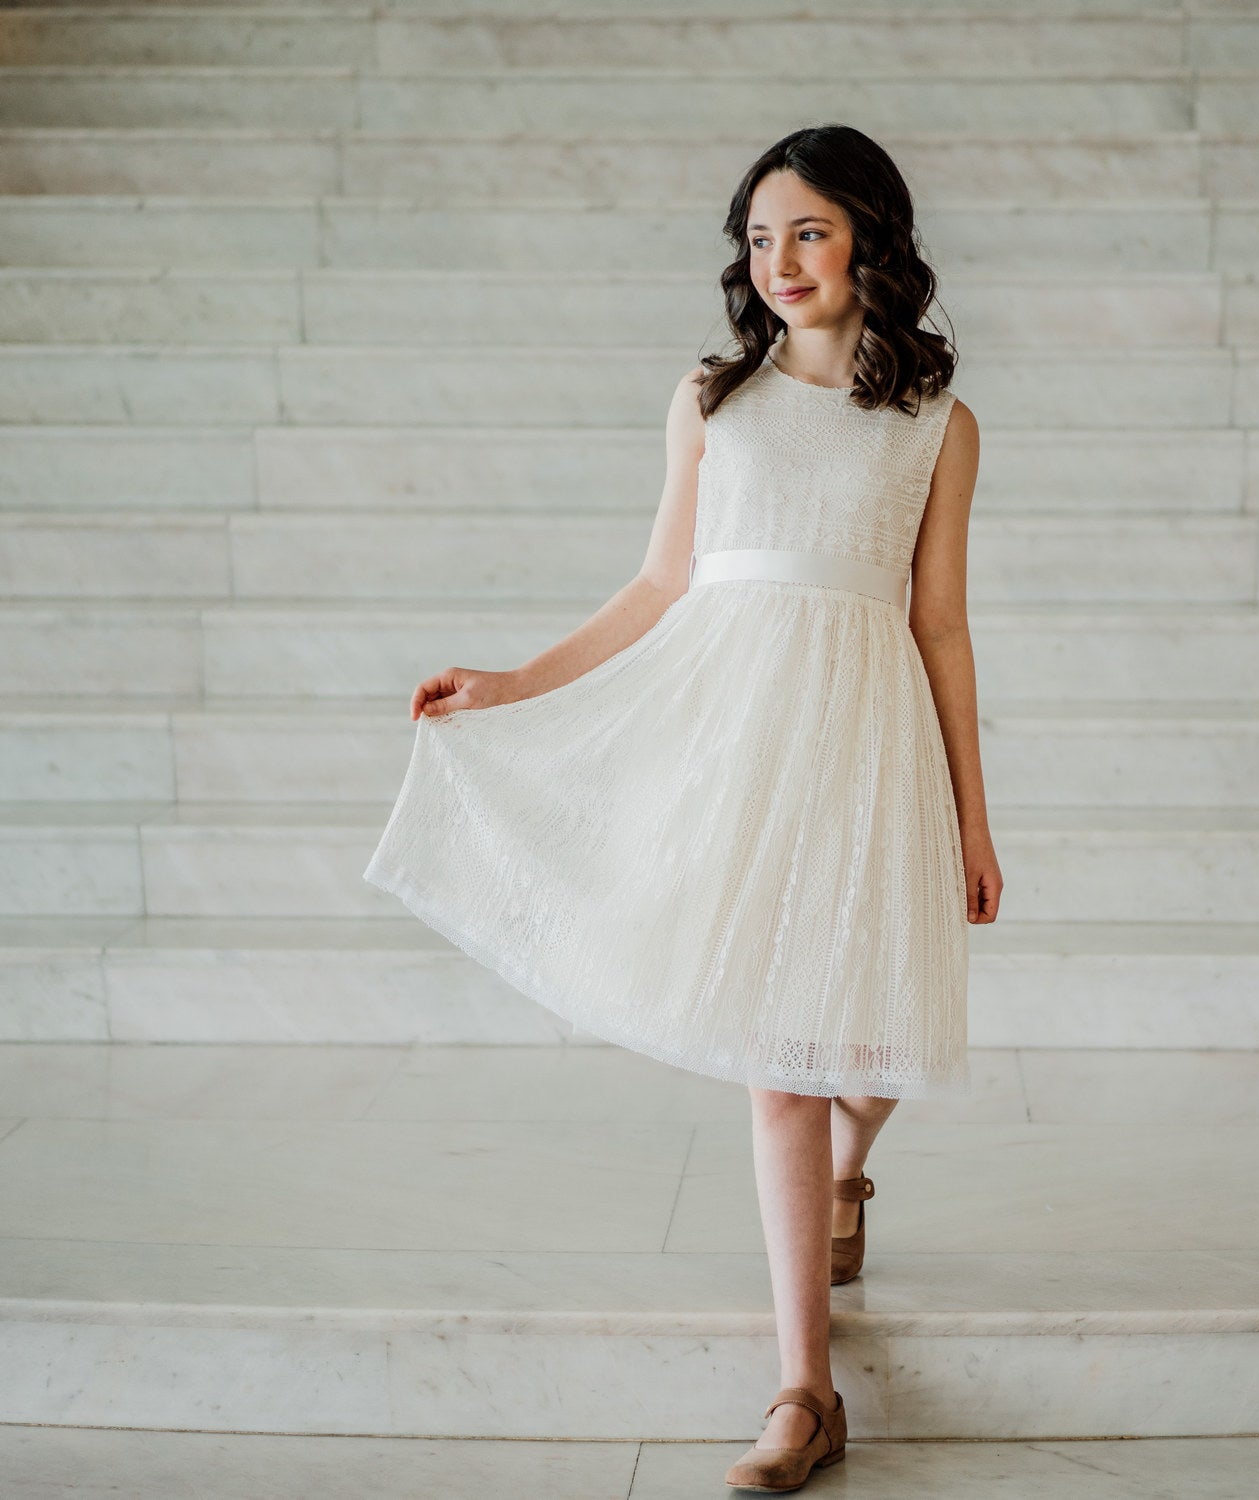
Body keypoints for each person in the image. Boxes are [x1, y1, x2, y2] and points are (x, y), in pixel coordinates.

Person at [363, 123, 1002, 1492]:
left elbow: (939, 625)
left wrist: (972, 817)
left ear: (873, 242)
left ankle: (852, 1165)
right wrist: (515, 682)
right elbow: (660, 585)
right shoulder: (714, 401)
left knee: (874, 1044)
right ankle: (804, 1394)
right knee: (778, 1056)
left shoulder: (936, 429)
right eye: (761, 238)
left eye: (810, 232)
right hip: (737, 743)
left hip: (871, 742)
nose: (781, 261)